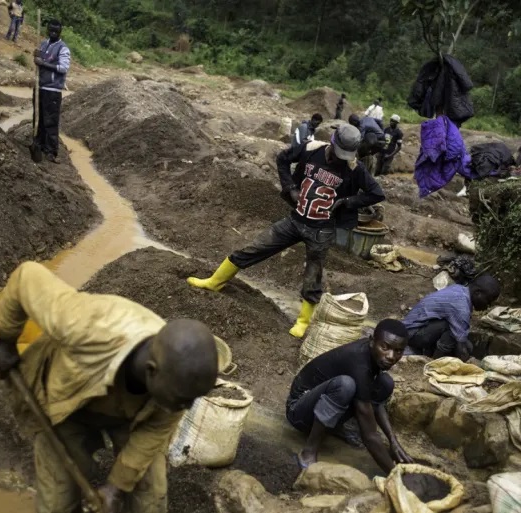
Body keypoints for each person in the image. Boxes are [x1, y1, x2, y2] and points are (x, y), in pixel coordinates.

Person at [0, 262, 219, 513]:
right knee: (57, 502)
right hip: (68, 406)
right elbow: (27, 275)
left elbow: (148, 437)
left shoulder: (178, 385)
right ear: (151, 371)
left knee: (151, 498)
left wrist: (115, 488)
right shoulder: (83, 325)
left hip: (133, 417)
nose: (187, 407)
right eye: (184, 400)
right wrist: (5, 337)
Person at [187, 124, 385, 338]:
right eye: (339, 154)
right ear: (333, 142)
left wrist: (347, 201)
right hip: (295, 221)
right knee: (255, 247)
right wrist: (290, 187)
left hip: (321, 230)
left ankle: (303, 321)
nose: (341, 159)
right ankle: (215, 282)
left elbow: (376, 193)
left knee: (313, 275)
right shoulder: (311, 149)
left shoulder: (355, 169)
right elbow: (282, 159)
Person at [286, 319, 413, 471]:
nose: (391, 356)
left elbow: (376, 405)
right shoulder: (358, 361)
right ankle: (308, 452)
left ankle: (334, 427)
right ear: (372, 341)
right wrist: (394, 474)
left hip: (319, 404)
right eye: (384, 347)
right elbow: (370, 435)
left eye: (398, 351)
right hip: (298, 411)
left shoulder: (373, 356)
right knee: (345, 385)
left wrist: (393, 442)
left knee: (385, 383)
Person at [402, 274, 500, 360]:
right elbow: (460, 345)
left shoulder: (459, 289)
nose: (488, 305)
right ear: (477, 293)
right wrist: (470, 361)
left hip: (414, 329)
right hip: (412, 335)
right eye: (488, 300)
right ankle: (435, 361)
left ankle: (431, 352)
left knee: (467, 345)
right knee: (452, 332)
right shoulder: (461, 306)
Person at [33, 20, 71, 163]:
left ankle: (51, 151)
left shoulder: (63, 48)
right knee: (39, 118)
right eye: (51, 30)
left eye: (56, 31)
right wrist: (37, 57)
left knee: (50, 121)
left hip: (52, 89)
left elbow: (63, 68)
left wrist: (44, 63)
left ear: (60, 32)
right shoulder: (43, 44)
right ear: (48, 30)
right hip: (40, 86)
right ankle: (39, 144)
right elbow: (39, 61)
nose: (53, 33)